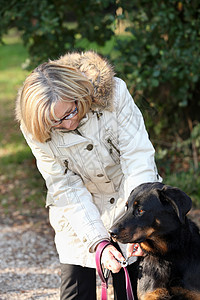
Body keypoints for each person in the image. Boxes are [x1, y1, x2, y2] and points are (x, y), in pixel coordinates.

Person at [16, 51, 162, 300]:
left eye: (70, 112)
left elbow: (138, 160)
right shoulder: (35, 127)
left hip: (129, 199)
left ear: (78, 93)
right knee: (75, 293)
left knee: (134, 290)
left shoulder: (114, 94)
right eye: (56, 123)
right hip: (78, 212)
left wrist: (139, 223)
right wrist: (99, 242)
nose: (68, 124)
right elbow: (65, 187)